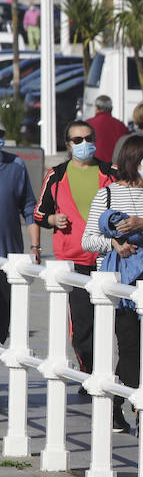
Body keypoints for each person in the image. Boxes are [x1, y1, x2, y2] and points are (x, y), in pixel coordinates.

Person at [80, 134, 143, 432]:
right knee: (129, 345)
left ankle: (123, 403)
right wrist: (114, 244)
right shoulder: (107, 195)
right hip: (120, 282)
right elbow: (88, 240)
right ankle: (132, 403)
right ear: (133, 160)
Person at [34, 120, 119, 377]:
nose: (85, 144)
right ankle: (89, 372)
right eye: (78, 140)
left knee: (109, 323)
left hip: (108, 259)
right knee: (82, 326)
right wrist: (52, 220)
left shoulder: (111, 172)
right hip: (73, 261)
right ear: (68, 145)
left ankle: (106, 372)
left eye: (88, 138)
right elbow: (39, 214)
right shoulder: (56, 175)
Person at [0, 128, 41, 341]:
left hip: (8, 260)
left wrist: (35, 246)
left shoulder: (16, 166)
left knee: (2, 326)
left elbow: (29, 208)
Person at [87, 95, 129, 164]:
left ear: (96, 108)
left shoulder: (87, 124)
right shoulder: (121, 126)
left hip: (93, 166)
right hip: (114, 167)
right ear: (111, 109)